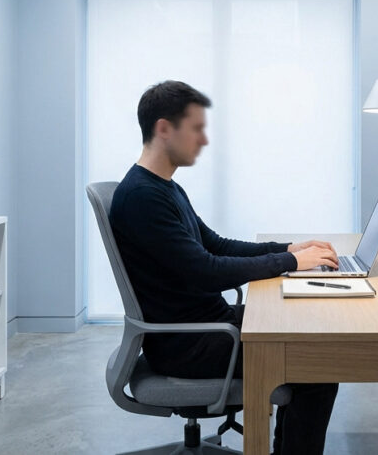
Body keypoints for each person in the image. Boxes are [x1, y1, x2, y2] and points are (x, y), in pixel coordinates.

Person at [109, 80, 340, 455]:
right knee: (316, 367)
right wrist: (292, 263)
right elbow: (206, 270)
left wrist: (286, 249)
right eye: (197, 128)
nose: (203, 140)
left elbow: (215, 245)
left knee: (304, 331)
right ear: (165, 128)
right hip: (187, 343)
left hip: (206, 325)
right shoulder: (142, 198)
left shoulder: (164, 188)